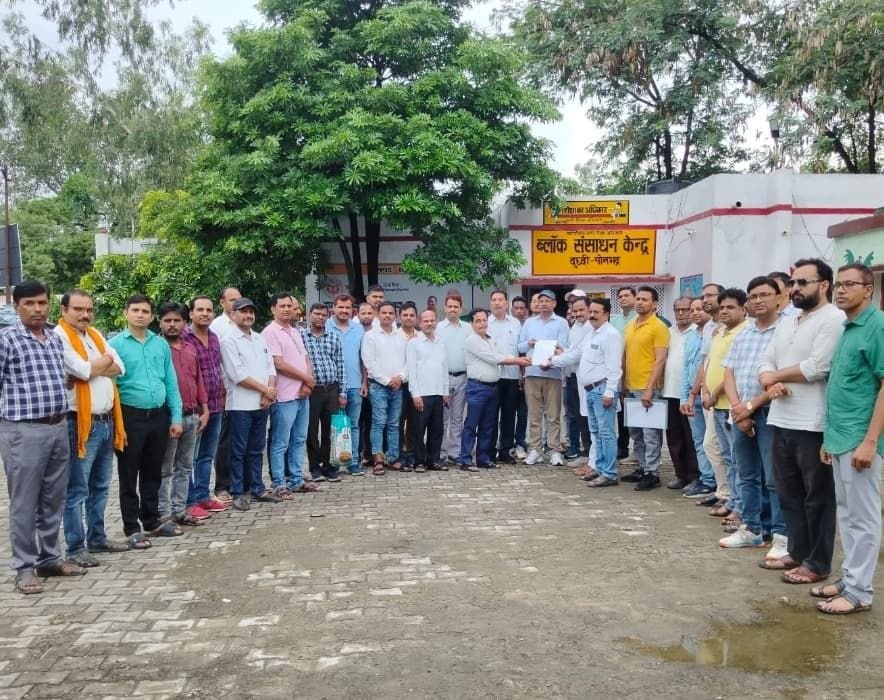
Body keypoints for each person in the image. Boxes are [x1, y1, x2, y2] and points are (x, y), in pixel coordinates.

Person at [758, 258, 844, 583]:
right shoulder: (788, 321)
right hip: (782, 418)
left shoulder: (833, 319)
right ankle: (797, 551)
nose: (795, 288)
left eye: (803, 282)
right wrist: (769, 380)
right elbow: (765, 359)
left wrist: (775, 377)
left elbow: (817, 367)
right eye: (793, 283)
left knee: (817, 497)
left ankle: (817, 563)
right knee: (789, 493)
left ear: (824, 285)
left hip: (814, 423)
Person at [0, 280, 86, 594]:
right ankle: (24, 567)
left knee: (53, 498)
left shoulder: (54, 337)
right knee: (24, 502)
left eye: (42, 303)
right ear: (16, 306)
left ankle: (49, 558)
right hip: (23, 431)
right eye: (29, 303)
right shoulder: (7, 339)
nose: (37, 309)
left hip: (58, 427)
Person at [818, 263, 883, 614]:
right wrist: (829, 439)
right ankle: (849, 578)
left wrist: (870, 441)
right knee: (846, 513)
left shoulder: (878, 327)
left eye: (849, 285)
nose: (840, 291)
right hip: (841, 437)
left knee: (864, 517)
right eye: (838, 285)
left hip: (861, 439)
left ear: (868, 289)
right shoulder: (848, 328)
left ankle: (860, 592)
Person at [54, 289, 128, 568]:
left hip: (106, 421)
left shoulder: (95, 335)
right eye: (78, 309)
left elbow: (119, 367)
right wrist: (100, 364)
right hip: (79, 424)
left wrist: (97, 366)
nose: (85, 314)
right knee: (77, 489)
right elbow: (82, 370)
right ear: (64, 310)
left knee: (100, 485)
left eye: (89, 309)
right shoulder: (59, 337)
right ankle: (75, 547)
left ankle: (97, 537)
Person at [109, 294, 183, 546]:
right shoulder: (115, 345)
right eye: (135, 310)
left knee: (153, 472)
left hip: (158, 416)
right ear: (126, 313)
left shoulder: (160, 345)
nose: (140, 315)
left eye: (145, 311)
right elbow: (112, 387)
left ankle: (151, 521)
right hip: (130, 416)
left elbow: (170, 382)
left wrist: (176, 417)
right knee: (129, 473)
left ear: (152, 317)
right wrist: (117, 423)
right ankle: (131, 527)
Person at [720, 278, 786, 555]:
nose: (758, 300)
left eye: (764, 295)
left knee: (773, 477)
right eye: (753, 296)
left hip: (771, 411)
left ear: (778, 298)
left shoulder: (785, 331)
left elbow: (781, 379)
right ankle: (752, 529)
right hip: (740, 412)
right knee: (746, 475)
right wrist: (739, 408)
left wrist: (749, 407)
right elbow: (729, 372)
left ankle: (781, 535)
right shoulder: (744, 333)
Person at [547, 299, 622, 487]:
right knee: (596, 433)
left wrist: (610, 392)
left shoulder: (611, 335)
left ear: (606, 314)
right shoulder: (591, 334)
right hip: (589, 390)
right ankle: (599, 468)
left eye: (597, 312)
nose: (593, 315)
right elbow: (574, 354)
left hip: (602, 390)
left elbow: (615, 367)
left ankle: (609, 473)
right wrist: (551, 362)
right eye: (592, 312)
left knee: (606, 434)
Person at [220, 297, 282, 510]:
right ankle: (237, 492)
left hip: (261, 404)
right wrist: (266, 390)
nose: (248, 316)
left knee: (256, 449)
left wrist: (268, 394)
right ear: (233, 314)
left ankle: (258, 487)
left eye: (251, 312)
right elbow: (237, 375)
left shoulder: (259, 338)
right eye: (243, 311)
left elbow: (270, 367)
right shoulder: (228, 340)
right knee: (238, 451)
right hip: (240, 405)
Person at [157, 302, 210, 532]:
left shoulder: (190, 348)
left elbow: (198, 380)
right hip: (169, 418)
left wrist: (204, 408)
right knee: (165, 469)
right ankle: (163, 513)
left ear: (184, 323)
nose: (172, 325)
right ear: (160, 323)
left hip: (192, 415)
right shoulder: (157, 348)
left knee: (185, 466)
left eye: (177, 321)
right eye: (167, 320)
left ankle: (180, 510)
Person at [262, 293, 320, 497]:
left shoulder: (295, 331)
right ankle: (279, 482)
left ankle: (296, 479)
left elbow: (305, 358)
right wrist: (307, 379)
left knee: (299, 439)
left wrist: (308, 383)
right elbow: (279, 364)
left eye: (289, 305)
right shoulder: (270, 332)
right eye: (282, 306)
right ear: (273, 309)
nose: (287, 309)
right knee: (281, 442)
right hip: (284, 396)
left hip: (302, 395)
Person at [460, 309, 531, 471]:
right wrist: (518, 361)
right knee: (471, 424)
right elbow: (494, 358)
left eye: (484, 320)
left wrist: (520, 359)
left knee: (488, 425)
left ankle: (483, 458)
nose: (482, 324)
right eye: (478, 321)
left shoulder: (489, 339)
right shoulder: (472, 340)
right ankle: (465, 460)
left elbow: (501, 353)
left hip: (492, 387)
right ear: (472, 323)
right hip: (477, 387)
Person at [701, 288, 748, 530]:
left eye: (731, 307)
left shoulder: (745, 332)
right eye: (723, 308)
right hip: (715, 405)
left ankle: (740, 506)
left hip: (731, 404)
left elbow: (733, 370)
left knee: (738, 459)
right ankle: (731, 499)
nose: (725, 311)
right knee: (727, 456)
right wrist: (704, 390)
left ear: (743, 308)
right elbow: (709, 363)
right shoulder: (719, 332)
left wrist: (715, 392)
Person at [182, 296, 229, 514]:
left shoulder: (214, 337)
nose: (205, 313)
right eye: (200, 309)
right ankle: (189, 501)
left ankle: (203, 496)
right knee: (189, 458)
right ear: (191, 313)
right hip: (196, 408)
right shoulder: (184, 338)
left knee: (207, 456)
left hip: (216, 404)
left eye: (208, 310)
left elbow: (218, 369)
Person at [621, 286, 669, 491]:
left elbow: (660, 360)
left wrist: (650, 388)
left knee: (651, 434)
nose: (640, 302)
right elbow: (625, 356)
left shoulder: (659, 327)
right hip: (631, 386)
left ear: (654, 303)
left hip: (649, 388)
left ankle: (652, 473)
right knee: (636, 432)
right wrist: (623, 383)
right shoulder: (630, 325)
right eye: (638, 299)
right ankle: (642, 467)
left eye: (645, 299)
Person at [518, 289, 569, 466]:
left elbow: (564, 347)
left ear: (554, 303)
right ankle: (534, 449)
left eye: (547, 301)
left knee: (553, 415)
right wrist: (529, 343)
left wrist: (551, 358)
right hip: (532, 373)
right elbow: (520, 346)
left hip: (553, 373)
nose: (543, 304)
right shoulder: (529, 323)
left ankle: (554, 450)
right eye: (541, 301)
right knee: (534, 415)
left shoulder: (561, 323)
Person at [302, 303, 347, 482]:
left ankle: (329, 466)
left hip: (332, 389)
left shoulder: (334, 337)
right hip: (312, 391)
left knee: (330, 430)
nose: (320, 317)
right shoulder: (301, 337)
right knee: (311, 430)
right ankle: (315, 467)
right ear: (309, 315)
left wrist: (342, 393)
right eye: (317, 314)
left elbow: (340, 365)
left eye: (323, 315)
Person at [362, 301, 408, 474]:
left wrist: (400, 378)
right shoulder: (370, 336)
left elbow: (408, 362)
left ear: (395, 316)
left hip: (398, 387)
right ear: (378, 315)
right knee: (378, 423)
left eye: (390, 313)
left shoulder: (401, 337)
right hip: (379, 387)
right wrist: (388, 381)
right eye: (384, 312)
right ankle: (378, 459)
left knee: (394, 424)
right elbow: (369, 363)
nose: (387, 315)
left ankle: (393, 458)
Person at [679, 298, 717, 499]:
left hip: (712, 395)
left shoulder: (716, 332)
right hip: (693, 396)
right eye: (692, 310)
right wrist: (685, 397)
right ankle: (706, 479)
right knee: (699, 440)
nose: (695, 313)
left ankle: (717, 483)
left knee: (713, 442)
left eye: (699, 309)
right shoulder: (691, 336)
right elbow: (686, 368)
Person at [207, 286, 241, 504]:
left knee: (242, 440)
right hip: (225, 391)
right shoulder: (217, 327)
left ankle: (242, 482)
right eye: (232, 299)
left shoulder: (243, 323)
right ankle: (222, 485)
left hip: (245, 393)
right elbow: (217, 361)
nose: (236, 303)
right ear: (222, 303)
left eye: (239, 299)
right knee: (224, 442)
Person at [661, 297, 699, 491]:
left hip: (690, 394)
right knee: (674, 437)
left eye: (686, 309)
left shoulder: (698, 332)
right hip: (669, 391)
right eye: (678, 310)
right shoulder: (668, 332)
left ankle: (695, 476)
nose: (682, 313)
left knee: (691, 437)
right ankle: (680, 475)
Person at [326, 294, 366, 476]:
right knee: (333, 426)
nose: (344, 311)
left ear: (352, 310)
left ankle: (353, 462)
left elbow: (363, 358)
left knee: (354, 425)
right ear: (333, 308)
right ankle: (334, 462)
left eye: (347, 308)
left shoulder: (358, 329)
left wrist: (364, 382)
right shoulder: (326, 326)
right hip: (332, 387)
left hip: (355, 385)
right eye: (340, 307)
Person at [406, 309, 450, 472]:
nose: (429, 323)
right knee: (418, 429)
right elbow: (411, 370)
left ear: (436, 322)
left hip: (438, 393)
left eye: (432, 320)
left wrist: (445, 391)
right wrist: (415, 394)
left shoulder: (440, 341)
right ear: (420, 323)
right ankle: (419, 461)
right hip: (422, 393)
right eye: (426, 321)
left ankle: (433, 460)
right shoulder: (414, 343)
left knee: (437, 429)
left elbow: (444, 368)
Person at [437, 291, 472, 464]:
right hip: (443, 379)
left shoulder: (468, 328)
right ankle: (441, 452)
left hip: (462, 377)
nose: (452, 309)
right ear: (444, 308)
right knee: (442, 418)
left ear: (461, 309)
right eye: (449, 306)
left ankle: (455, 451)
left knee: (457, 418)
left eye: (456, 307)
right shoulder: (437, 328)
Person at [487, 290, 522, 464]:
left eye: (500, 299)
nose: (497, 303)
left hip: (512, 376)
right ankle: (489, 451)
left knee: (509, 416)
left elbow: (520, 350)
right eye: (494, 300)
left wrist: (522, 375)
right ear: (490, 303)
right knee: (491, 416)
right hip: (492, 376)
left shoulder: (515, 323)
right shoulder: (485, 323)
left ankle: (505, 450)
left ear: (506, 303)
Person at [563, 291, 592, 461]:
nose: (578, 313)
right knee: (577, 416)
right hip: (572, 376)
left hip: (587, 379)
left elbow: (578, 354)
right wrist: (562, 353)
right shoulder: (575, 326)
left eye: (581, 309)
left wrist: (555, 360)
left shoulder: (591, 328)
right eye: (575, 310)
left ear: (589, 309)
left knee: (587, 418)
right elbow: (572, 350)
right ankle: (586, 453)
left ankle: (590, 454)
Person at [611, 287, 637, 460]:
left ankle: (639, 449)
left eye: (627, 295)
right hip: (618, 370)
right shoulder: (614, 321)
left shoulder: (640, 319)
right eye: (620, 296)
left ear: (635, 297)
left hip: (635, 370)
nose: (623, 298)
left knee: (636, 411)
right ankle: (622, 446)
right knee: (621, 411)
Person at [397, 302, 422, 468]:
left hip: (417, 385)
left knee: (414, 421)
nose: (408, 318)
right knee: (398, 421)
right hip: (399, 385)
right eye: (405, 315)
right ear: (400, 317)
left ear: (416, 317)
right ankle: (399, 454)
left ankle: (412, 453)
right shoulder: (394, 336)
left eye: (411, 315)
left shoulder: (421, 336)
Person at [510, 295, 530, 460]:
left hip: (528, 376)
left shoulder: (530, 327)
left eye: (521, 308)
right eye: (515, 308)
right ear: (511, 310)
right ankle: (506, 443)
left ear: (526, 310)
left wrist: (524, 375)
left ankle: (520, 443)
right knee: (508, 413)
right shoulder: (508, 326)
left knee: (523, 413)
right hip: (510, 376)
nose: (518, 311)